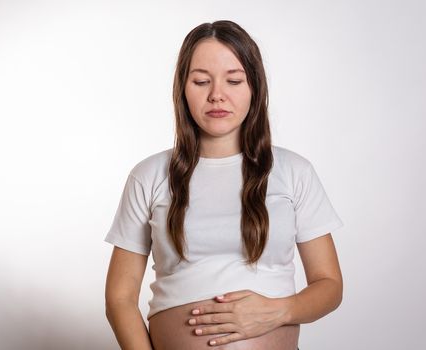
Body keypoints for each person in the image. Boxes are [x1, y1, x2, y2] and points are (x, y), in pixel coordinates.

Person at [104, 20, 344, 350]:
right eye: (201, 81)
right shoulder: (149, 175)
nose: (217, 95)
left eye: (233, 80)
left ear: (254, 88)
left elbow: (329, 284)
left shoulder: (293, 171)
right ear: (182, 89)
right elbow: (119, 297)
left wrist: (277, 312)